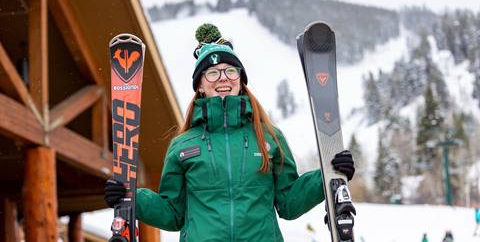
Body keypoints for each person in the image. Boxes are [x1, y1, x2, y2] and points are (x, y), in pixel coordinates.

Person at [104, 23, 355, 241]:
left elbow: (289, 203)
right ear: (200, 85)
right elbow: (173, 213)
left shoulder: (268, 137)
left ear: (240, 80)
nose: (223, 78)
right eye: (212, 73)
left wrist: (327, 175)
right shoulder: (183, 145)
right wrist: (131, 197)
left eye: (230, 71)